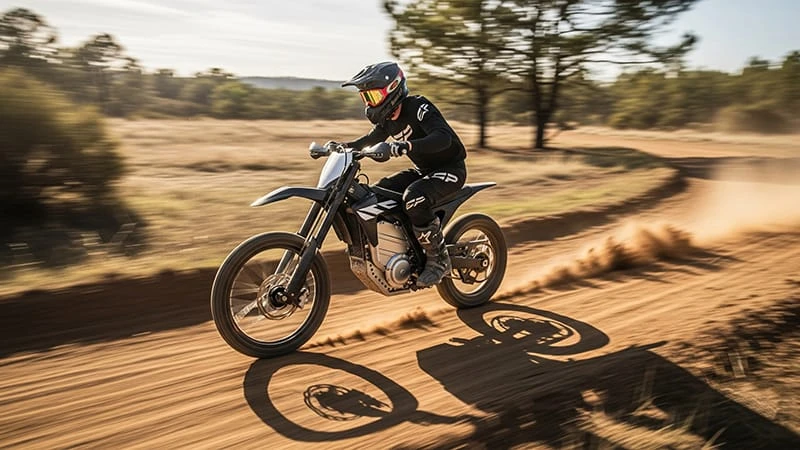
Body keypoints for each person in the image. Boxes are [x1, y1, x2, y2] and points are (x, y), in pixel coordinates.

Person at [334, 61, 468, 288]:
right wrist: (341, 147)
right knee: (377, 192)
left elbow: (443, 137)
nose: (369, 104)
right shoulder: (388, 121)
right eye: (366, 98)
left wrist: (405, 146)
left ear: (393, 89)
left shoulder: (418, 107)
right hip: (424, 172)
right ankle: (406, 249)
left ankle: (439, 261)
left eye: (373, 97)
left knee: (414, 198)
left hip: (450, 170)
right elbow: (368, 141)